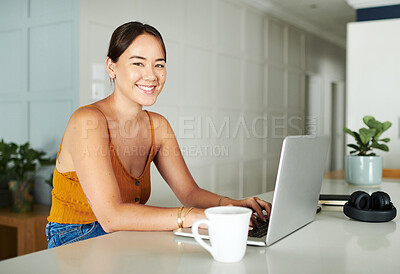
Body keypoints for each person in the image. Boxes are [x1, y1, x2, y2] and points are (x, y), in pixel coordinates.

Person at [45, 21, 271, 248]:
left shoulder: (158, 126)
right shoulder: (87, 120)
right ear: (111, 67)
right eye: (138, 63)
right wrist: (192, 216)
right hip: (76, 238)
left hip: (126, 234)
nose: (151, 76)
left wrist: (233, 205)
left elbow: (189, 192)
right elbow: (111, 217)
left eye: (159, 65)